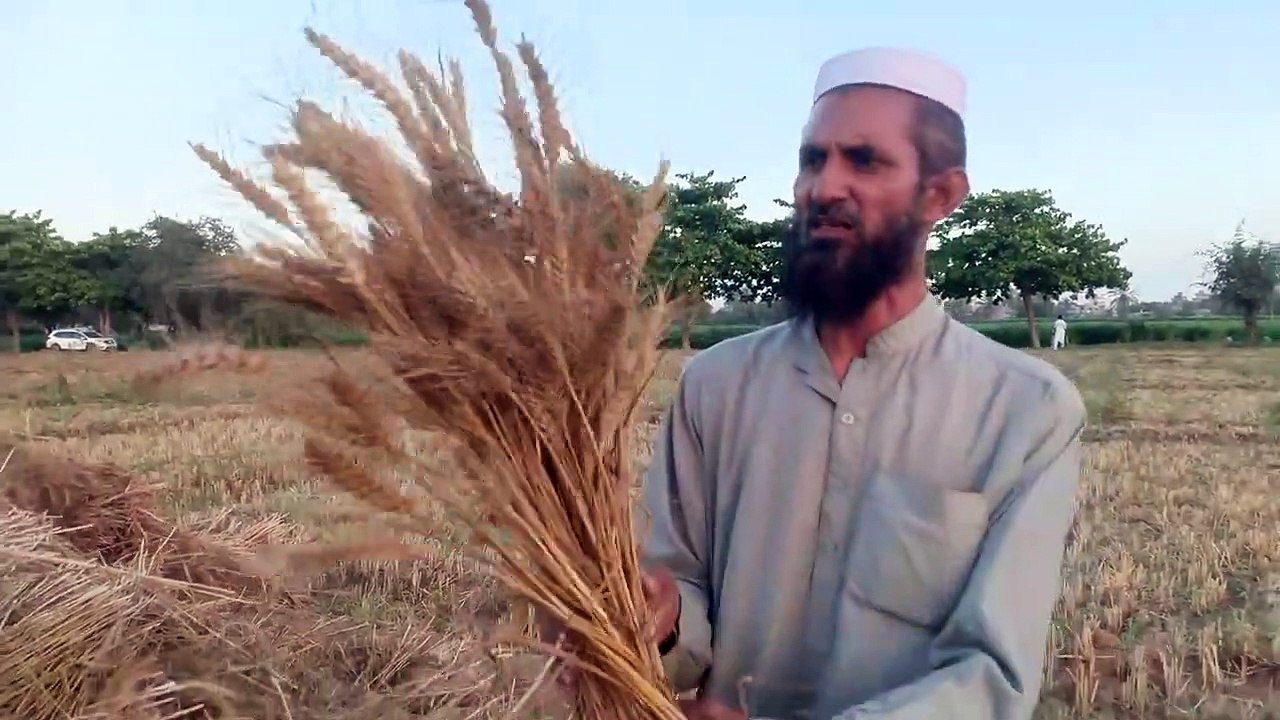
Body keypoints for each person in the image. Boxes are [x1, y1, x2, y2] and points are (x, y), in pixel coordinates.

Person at [552, 47, 1086, 720]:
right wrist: (653, 619)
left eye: (864, 160)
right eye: (813, 159)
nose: (822, 187)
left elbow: (991, 678)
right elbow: (682, 598)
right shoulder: (716, 385)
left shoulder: (1026, 412)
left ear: (941, 195)